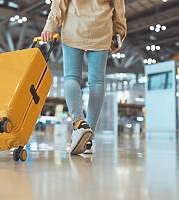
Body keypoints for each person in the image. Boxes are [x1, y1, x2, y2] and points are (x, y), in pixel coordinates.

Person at [41, 0, 127, 154]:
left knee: (72, 78)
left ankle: (79, 124)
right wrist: (119, 33)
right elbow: (119, 9)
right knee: (97, 82)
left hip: (74, 28)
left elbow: (60, 3)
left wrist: (50, 25)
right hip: (101, 31)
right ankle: (88, 138)